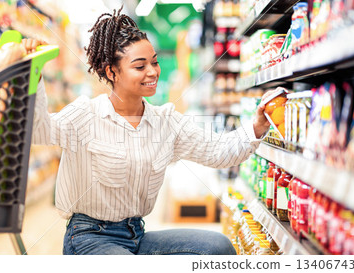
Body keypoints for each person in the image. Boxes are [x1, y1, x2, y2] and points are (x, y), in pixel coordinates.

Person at [24, 7, 272, 255]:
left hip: (137, 235)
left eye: (154, 62)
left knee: (217, 248)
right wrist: (33, 73)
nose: (152, 72)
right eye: (140, 66)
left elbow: (217, 151)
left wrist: (257, 126)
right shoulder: (85, 115)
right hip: (89, 238)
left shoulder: (166, 122)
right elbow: (38, 130)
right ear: (112, 72)